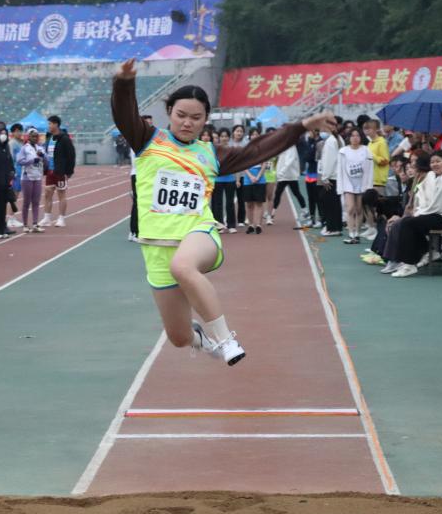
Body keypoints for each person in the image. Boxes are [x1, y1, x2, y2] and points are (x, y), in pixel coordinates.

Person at [111, 58, 336, 366]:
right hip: (156, 245)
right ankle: (199, 338)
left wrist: (301, 126)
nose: (187, 123)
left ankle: (226, 338)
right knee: (178, 337)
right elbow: (124, 114)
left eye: (196, 117)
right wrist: (124, 82)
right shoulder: (147, 139)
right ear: (169, 113)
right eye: (181, 115)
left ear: (206, 119)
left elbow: (258, 149)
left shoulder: (211, 153)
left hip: (198, 234)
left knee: (183, 266)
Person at [389, 150, 442, 278]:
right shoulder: (437, 177)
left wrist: (419, 214)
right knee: (408, 222)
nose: (435, 164)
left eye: (438, 161)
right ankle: (427, 251)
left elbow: (439, 206)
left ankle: (409, 264)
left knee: (408, 223)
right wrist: (419, 213)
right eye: (432, 162)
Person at [337, 128, 373, 243]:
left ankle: (357, 233)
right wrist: (340, 187)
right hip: (348, 183)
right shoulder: (343, 151)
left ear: (361, 137)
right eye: (352, 136)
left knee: (359, 209)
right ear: (349, 137)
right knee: (350, 208)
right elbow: (340, 169)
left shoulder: (366, 150)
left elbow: (370, 169)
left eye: (357, 135)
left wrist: (369, 185)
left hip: (362, 183)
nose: (355, 138)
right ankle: (351, 233)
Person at [40, 115, 75, 228]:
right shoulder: (49, 137)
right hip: (49, 171)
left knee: (61, 194)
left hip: (60, 172)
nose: (48, 126)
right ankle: (47, 218)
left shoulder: (64, 139)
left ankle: (61, 218)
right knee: (47, 194)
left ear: (56, 124)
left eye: (50, 124)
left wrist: (68, 172)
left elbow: (71, 156)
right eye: (48, 124)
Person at [128, 114, 155, 239]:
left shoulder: (153, 139)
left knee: (148, 202)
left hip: (150, 174)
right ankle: (134, 231)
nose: (150, 125)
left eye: (151, 123)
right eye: (147, 123)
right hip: (138, 174)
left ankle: (145, 229)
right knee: (138, 202)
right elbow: (138, 161)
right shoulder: (137, 139)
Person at [16, 127, 46, 232]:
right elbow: (19, 161)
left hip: (38, 176)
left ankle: (35, 224)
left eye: (36, 136)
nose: (35, 138)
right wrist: (32, 160)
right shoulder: (25, 148)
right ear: (28, 137)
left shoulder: (40, 148)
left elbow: (46, 160)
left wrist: (43, 156)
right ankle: (25, 225)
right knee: (26, 202)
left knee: (36, 202)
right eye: (33, 136)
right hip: (27, 177)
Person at [318, 121, 343, 236]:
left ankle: (332, 228)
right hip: (336, 176)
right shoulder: (337, 139)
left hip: (331, 177)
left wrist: (325, 177)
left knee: (330, 203)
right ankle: (335, 227)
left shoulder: (331, 141)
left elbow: (329, 161)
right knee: (334, 203)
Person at [211, 128, 237, 233]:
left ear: (229, 138)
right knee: (218, 204)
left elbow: (235, 165)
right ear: (219, 138)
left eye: (226, 136)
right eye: (222, 136)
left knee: (230, 203)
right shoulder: (214, 150)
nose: (224, 138)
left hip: (230, 179)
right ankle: (220, 225)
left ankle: (231, 225)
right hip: (217, 180)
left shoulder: (232, 150)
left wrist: (237, 179)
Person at [241, 128, 267, 234]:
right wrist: (251, 176)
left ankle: (258, 225)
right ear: (250, 136)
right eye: (253, 134)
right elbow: (243, 164)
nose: (254, 136)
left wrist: (258, 176)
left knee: (259, 203)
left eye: (256, 134)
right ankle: (251, 225)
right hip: (248, 179)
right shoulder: (246, 149)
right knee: (249, 203)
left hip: (260, 179)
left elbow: (264, 164)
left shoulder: (263, 148)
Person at [273, 141, 304, 226]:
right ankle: (273, 212)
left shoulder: (291, 147)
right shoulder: (282, 145)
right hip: (283, 176)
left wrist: (281, 172)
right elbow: (280, 160)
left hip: (290, 176)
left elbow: (289, 161)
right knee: (278, 193)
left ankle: (305, 211)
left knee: (296, 193)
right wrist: (279, 172)